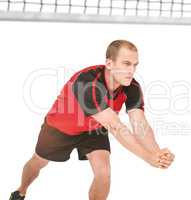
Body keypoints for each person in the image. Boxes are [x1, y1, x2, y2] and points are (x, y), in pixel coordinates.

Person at [9, 39, 175, 200]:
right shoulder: (87, 83)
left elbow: (140, 123)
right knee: (38, 162)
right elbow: (115, 127)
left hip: (94, 129)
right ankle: (20, 191)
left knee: (104, 172)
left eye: (135, 65)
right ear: (109, 64)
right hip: (60, 128)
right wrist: (148, 157)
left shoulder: (132, 87)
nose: (131, 70)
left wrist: (156, 152)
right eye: (126, 64)